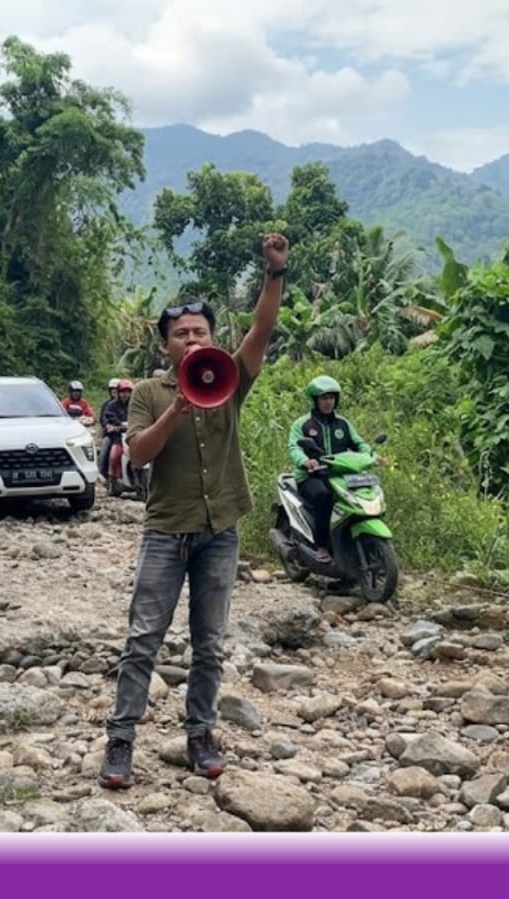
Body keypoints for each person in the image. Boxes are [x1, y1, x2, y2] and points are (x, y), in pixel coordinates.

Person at [97, 232, 289, 790]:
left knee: (210, 644)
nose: (191, 339)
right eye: (181, 334)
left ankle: (201, 734)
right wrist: (176, 409)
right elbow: (138, 454)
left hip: (219, 531)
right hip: (166, 533)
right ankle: (120, 740)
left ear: (212, 337)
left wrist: (275, 273)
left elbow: (262, 330)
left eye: (200, 332)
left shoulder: (230, 378)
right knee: (143, 640)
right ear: (165, 346)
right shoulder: (148, 394)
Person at [287, 375, 375, 564]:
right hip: (311, 476)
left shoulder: (343, 423)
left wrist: (371, 455)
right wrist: (305, 461)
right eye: (324, 398)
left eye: (331, 398)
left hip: (339, 475)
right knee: (323, 496)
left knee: (361, 494)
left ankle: (352, 541)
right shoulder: (303, 424)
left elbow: (359, 443)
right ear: (314, 400)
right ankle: (322, 545)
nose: (328, 402)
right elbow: (294, 447)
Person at [100, 380, 133, 487]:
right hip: (117, 437)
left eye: (128, 392)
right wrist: (111, 426)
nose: (125, 395)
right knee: (113, 455)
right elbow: (106, 418)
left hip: (133, 436)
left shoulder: (135, 404)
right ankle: (110, 478)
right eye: (122, 392)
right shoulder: (110, 405)